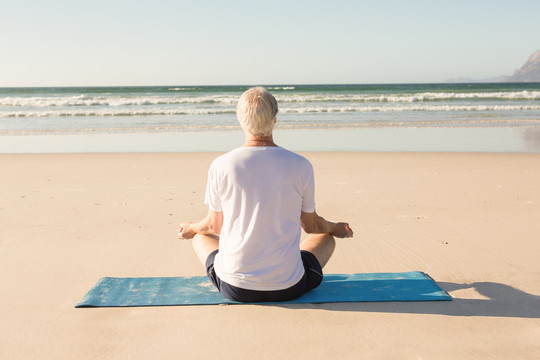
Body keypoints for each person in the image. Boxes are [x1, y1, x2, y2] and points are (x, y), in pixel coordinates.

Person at [178, 87, 353, 302]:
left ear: (240, 120)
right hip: (289, 287)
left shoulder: (221, 165)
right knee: (325, 238)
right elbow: (311, 226)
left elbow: (215, 226)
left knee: (199, 237)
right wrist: (335, 229)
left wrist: (191, 228)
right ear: (275, 119)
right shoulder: (300, 165)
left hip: (234, 287)